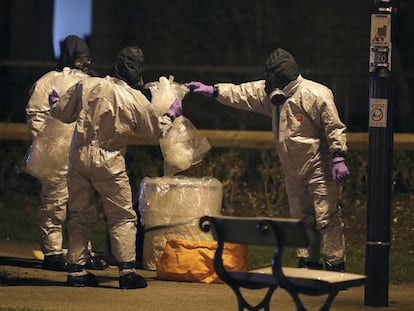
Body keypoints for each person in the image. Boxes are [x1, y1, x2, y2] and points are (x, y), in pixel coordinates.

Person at [185, 48, 350, 272]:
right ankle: (308, 262)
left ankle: (335, 265)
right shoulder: (273, 95)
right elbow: (242, 93)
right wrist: (213, 91)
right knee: (301, 219)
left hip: (319, 166)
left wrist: (338, 156)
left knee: (326, 216)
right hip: (292, 170)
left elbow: (333, 127)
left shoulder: (316, 94)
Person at [49, 46, 183, 289]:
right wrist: (170, 115)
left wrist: (54, 100)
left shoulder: (87, 85)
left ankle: (76, 270)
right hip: (109, 161)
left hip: (77, 157)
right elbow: (154, 131)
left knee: (79, 214)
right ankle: (126, 271)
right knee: (121, 216)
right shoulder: (133, 98)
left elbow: (61, 112)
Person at [26, 35, 108, 271]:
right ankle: (53, 252)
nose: (84, 62)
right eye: (80, 58)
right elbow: (36, 115)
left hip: (81, 153)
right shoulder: (50, 81)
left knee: (82, 205)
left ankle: (80, 253)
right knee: (54, 203)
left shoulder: (90, 82)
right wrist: (47, 142)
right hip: (56, 156)